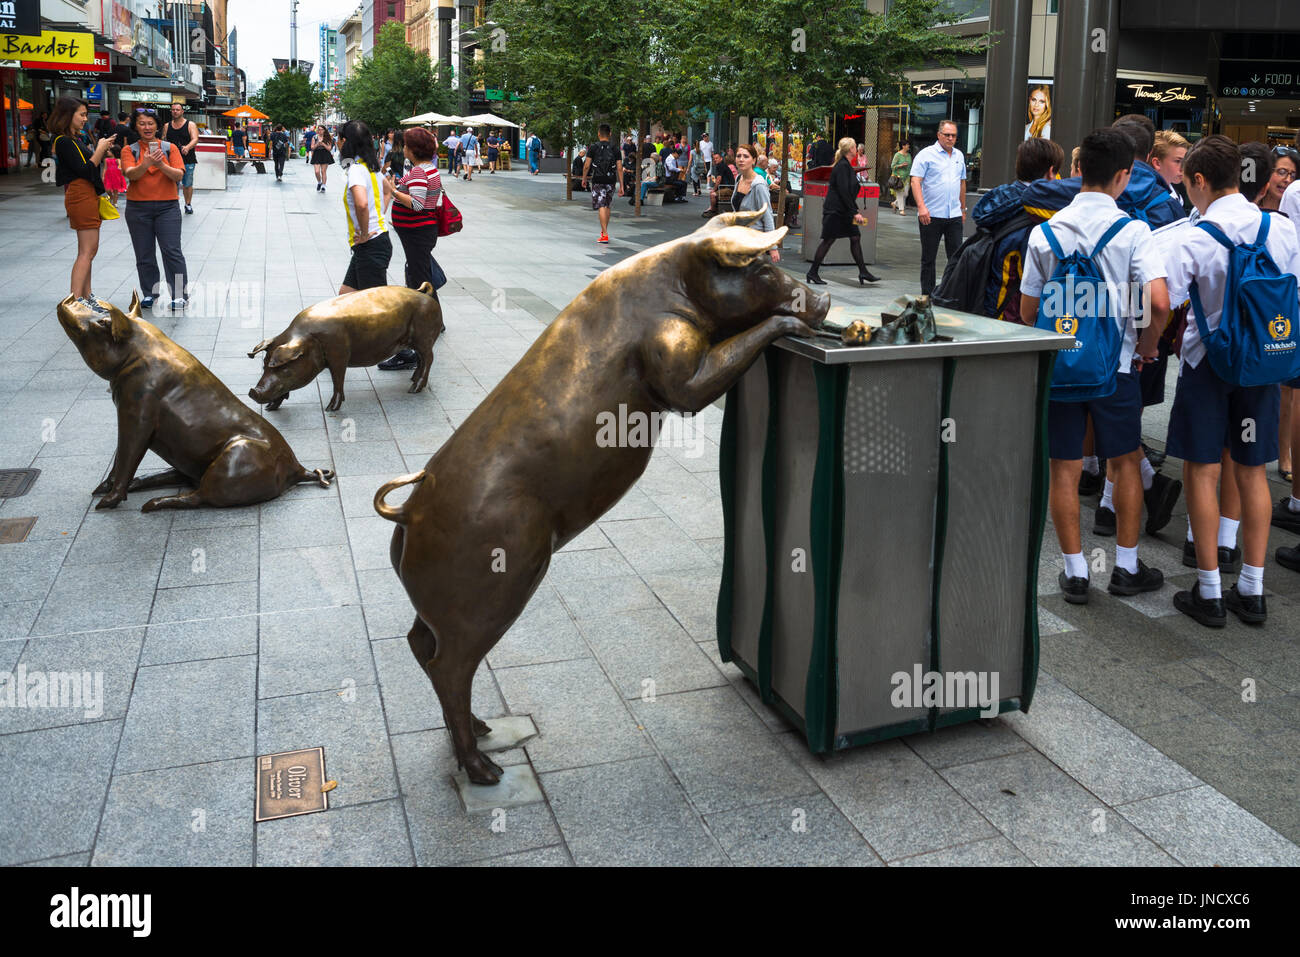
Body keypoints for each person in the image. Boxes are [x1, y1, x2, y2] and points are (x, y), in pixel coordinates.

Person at [1020, 127, 1170, 607]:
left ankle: (1076, 571)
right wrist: (1145, 346)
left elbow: (1027, 312)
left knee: (1063, 468)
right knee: (1125, 463)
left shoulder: (1044, 233)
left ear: (1079, 168)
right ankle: (1125, 566)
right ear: (1125, 175)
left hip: (1061, 367)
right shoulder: (1134, 231)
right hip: (1117, 367)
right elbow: (1159, 303)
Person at [1162, 135, 1300, 622]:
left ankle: (1209, 591)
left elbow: (1164, 300)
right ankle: (1253, 588)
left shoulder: (1196, 236)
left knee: (1202, 468)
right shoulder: (1279, 229)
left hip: (1207, 364)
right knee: (1251, 471)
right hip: (1262, 365)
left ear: (1199, 180)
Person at [969, 136, 1063, 323]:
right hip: (1014, 317)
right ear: (1051, 172)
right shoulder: (1036, 215)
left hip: (987, 307)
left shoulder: (1001, 199)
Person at [379, 126, 444, 371]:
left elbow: (417, 204)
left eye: (405, 145)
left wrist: (393, 190)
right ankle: (436, 321)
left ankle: (418, 342)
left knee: (419, 282)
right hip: (421, 232)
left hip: (417, 232)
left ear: (413, 149)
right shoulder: (429, 169)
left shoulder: (418, 171)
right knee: (421, 275)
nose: (403, 148)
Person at [120, 108, 189, 310]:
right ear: (136, 126)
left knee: (172, 251)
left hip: (167, 207)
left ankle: (179, 295)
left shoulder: (170, 148)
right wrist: (146, 162)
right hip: (137, 209)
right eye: (142, 123)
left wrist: (160, 165)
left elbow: (178, 176)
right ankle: (150, 293)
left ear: (158, 126)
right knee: (144, 253)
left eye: (150, 123)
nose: (147, 127)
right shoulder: (129, 150)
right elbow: (131, 174)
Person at [49, 97, 115, 300]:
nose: (85, 119)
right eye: (82, 115)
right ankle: (76, 300)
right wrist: (100, 149)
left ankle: (86, 296)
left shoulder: (74, 139)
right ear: (69, 116)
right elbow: (85, 169)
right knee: (87, 251)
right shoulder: (64, 141)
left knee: (89, 251)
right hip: (81, 194)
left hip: (85, 194)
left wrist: (101, 149)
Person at [805, 137, 879, 285]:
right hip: (836, 211)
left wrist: (852, 211)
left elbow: (847, 191)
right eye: (855, 146)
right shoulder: (843, 166)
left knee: (855, 237)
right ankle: (812, 272)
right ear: (851, 150)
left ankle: (863, 271)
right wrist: (855, 212)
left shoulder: (845, 165)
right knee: (828, 241)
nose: (856, 148)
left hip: (843, 211)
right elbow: (844, 191)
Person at [911, 121, 967, 294]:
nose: (950, 138)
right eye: (947, 135)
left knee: (956, 257)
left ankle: (950, 293)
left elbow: (962, 183)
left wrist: (963, 208)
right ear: (939, 135)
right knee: (929, 258)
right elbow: (915, 181)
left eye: (954, 135)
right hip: (931, 215)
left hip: (954, 215)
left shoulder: (959, 156)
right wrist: (921, 207)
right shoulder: (926, 155)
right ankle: (927, 295)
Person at [337, 120, 392, 295]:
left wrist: (365, 233)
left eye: (338, 139)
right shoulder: (371, 167)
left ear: (345, 141)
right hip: (375, 242)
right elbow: (387, 190)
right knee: (346, 294)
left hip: (370, 244)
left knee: (375, 304)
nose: (337, 143)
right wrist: (379, 214)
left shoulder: (356, 170)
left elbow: (362, 204)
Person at [731, 144, 779, 262]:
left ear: (753, 160)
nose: (741, 159)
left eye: (746, 156)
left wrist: (773, 247)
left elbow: (767, 215)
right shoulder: (739, 178)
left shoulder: (759, 184)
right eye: (739, 156)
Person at [582, 124, 624, 243]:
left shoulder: (593, 147)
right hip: (611, 180)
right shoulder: (615, 148)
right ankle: (604, 231)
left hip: (598, 179)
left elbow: (586, 165)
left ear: (598, 134)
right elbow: (620, 167)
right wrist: (621, 185)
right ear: (610, 134)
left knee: (601, 205)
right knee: (607, 204)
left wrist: (584, 178)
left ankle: (604, 234)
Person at [164, 103, 199, 214]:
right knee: (172, 183)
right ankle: (173, 204)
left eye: (177, 110)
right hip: (171, 160)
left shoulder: (190, 124)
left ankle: (188, 204)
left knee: (187, 183)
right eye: (173, 110)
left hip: (188, 159)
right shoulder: (167, 126)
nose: (175, 111)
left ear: (182, 111)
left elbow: (195, 139)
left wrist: (188, 147)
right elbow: (163, 140)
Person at [701, 152, 735, 218]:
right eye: (714, 159)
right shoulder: (721, 165)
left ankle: (713, 211)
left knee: (712, 194)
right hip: (727, 188)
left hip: (729, 188)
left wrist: (714, 189)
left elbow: (719, 179)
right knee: (714, 193)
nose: (715, 160)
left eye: (717, 158)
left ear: (721, 158)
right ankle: (713, 209)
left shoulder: (721, 165)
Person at [889, 141, 911, 215]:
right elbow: (892, 166)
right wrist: (901, 165)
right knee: (900, 194)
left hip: (906, 177)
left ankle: (895, 203)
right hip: (898, 178)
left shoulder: (909, 155)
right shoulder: (897, 155)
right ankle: (901, 210)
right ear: (903, 146)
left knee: (906, 194)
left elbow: (910, 166)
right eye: (907, 145)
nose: (909, 146)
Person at [311, 127, 334, 192]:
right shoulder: (314, 137)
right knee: (317, 171)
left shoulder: (327, 137)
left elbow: (329, 148)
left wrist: (323, 144)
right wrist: (317, 144)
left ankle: (323, 186)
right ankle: (319, 182)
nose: (320, 131)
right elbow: (312, 148)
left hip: (325, 154)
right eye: (319, 129)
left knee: (323, 171)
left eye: (321, 129)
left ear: (324, 130)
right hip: (317, 154)